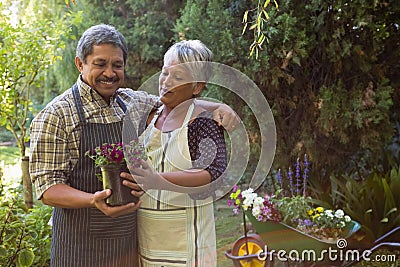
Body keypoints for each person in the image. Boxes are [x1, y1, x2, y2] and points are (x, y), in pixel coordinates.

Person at [29, 24, 237, 267]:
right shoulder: (56, 115)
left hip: (130, 247)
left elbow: (173, 102)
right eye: (100, 63)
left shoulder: (131, 102)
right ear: (80, 64)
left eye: (117, 65)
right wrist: (92, 199)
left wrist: (219, 107)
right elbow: (48, 187)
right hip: (81, 248)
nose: (110, 72)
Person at [122, 40, 226, 267]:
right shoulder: (148, 118)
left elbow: (214, 172)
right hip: (148, 238)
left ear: (197, 87)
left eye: (178, 77)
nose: (166, 82)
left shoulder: (202, 122)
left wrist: (157, 180)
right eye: (164, 73)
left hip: (188, 243)